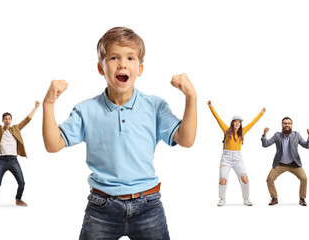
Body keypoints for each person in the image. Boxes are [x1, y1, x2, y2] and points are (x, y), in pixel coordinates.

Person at [42, 27, 196, 240]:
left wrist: (191, 97)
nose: (123, 63)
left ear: (140, 68)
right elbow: (53, 145)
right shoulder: (86, 110)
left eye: (130, 58)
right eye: (114, 57)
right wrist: (48, 103)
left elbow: (186, 140)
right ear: (101, 68)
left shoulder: (155, 106)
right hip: (101, 208)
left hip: (148, 206)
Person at [0, 99, 40, 207]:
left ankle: (18, 199)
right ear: (2, 120)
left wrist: (35, 107)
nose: (7, 120)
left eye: (9, 119)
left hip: (13, 160)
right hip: (1, 160)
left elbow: (27, 119)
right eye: (5, 119)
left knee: (22, 182)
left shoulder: (16, 128)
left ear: (11, 120)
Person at [207, 100, 265, 206]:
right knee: (223, 180)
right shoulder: (226, 130)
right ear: (232, 123)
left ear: (240, 124)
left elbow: (253, 122)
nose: (237, 123)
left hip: (238, 158)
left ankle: (246, 199)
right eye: (235, 121)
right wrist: (211, 107)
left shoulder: (243, 132)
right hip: (226, 157)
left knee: (245, 179)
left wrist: (261, 113)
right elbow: (218, 118)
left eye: (239, 122)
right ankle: (222, 199)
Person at [261, 117, 309, 206]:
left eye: (289, 123)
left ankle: (302, 199)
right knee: (269, 179)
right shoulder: (277, 135)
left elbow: (307, 146)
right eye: (285, 123)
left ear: (291, 125)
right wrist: (264, 134)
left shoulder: (297, 135)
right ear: (282, 125)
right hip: (280, 164)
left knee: (304, 179)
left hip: (294, 164)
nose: (287, 125)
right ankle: (274, 198)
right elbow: (265, 144)